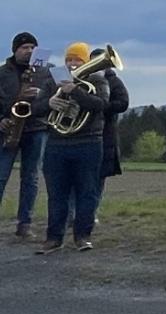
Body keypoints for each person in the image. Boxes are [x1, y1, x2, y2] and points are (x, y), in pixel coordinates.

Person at [35, 43, 108, 254]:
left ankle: (83, 236)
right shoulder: (54, 79)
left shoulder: (96, 79)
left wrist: (75, 91)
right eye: (70, 60)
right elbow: (35, 109)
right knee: (56, 193)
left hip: (89, 142)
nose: (73, 63)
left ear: (86, 62)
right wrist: (49, 103)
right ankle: (53, 238)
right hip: (57, 143)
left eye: (78, 60)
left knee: (87, 191)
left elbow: (101, 105)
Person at [0, 33, 56, 241]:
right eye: (25, 47)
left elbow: (56, 96)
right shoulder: (2, 73)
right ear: (15, 50)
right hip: (9, 129)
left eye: (33, 47)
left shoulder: (47, 72)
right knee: (1, 176)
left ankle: (25, 223)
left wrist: (39, 98)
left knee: (30, 178)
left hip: (36, 128)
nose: (29, 50)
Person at [93, 50, 130, 215]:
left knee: (99, 178)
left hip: (106, 132)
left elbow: (123, 103)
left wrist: (102, 105)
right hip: (85, 133)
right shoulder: (83, 79)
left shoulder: (114, 82)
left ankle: (92, 212)